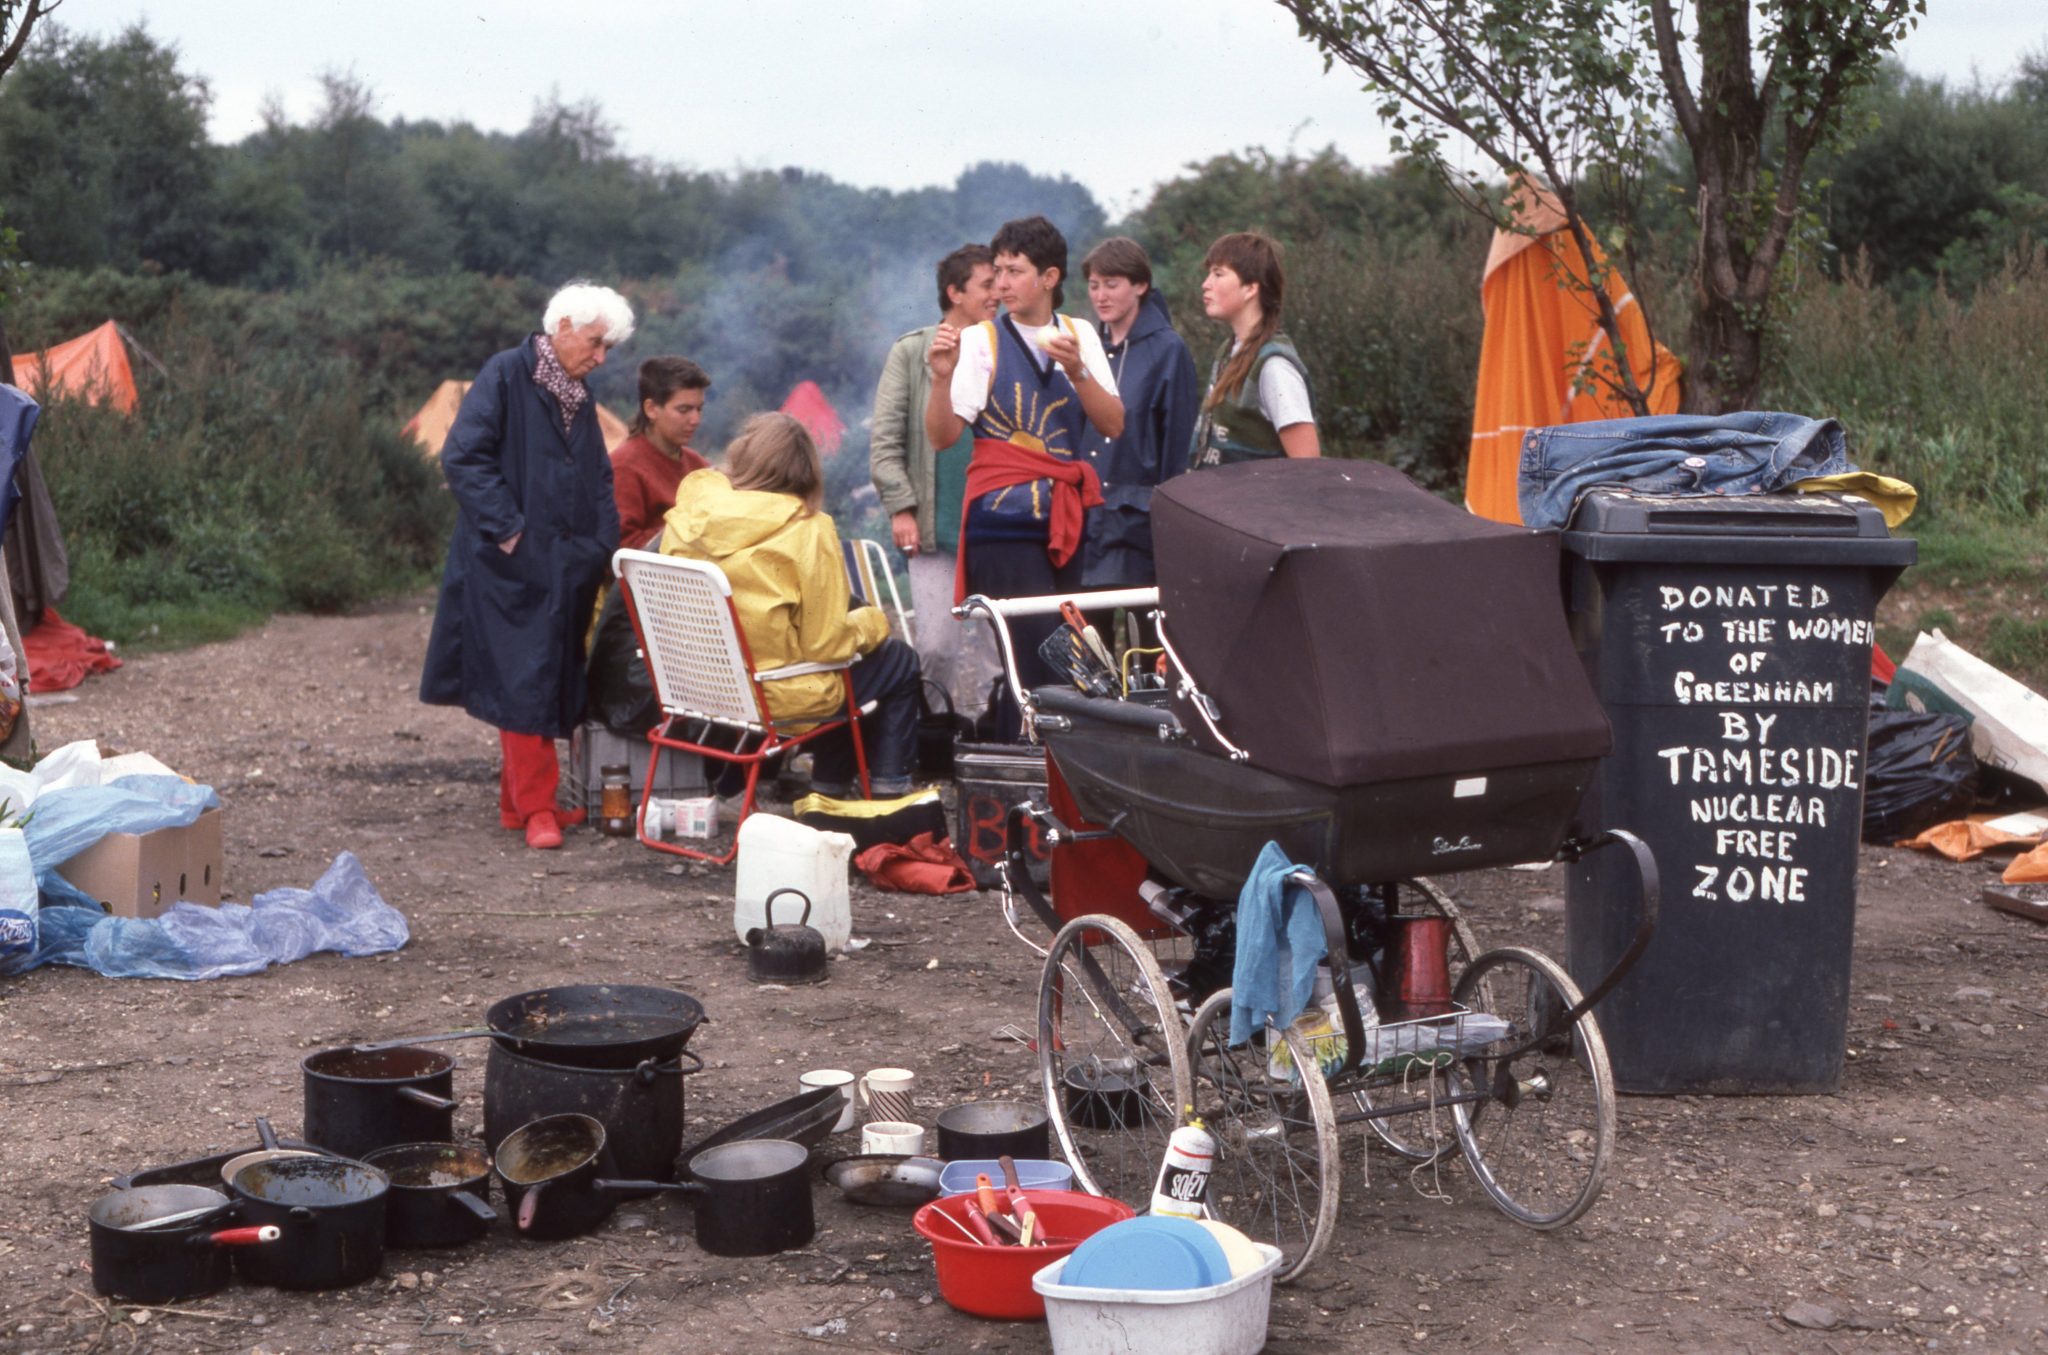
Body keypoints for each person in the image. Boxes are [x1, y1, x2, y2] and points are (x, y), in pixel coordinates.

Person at [419, 282, 634, 850]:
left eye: (607, 347)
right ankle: (537, 807)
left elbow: (599, 478)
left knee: (545, 676)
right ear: (562, 326)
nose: (601, 357)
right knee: (523, 683)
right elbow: (462, 455)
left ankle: (518, 806)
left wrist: (601, 545)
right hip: (508, 562)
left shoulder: (579, 395)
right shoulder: (507, 373)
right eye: (595, 343)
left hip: (566, 562)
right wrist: (511, 531)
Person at [923, 215, 1123, 733]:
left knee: (1062, 649)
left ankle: (1036, 759)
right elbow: (943, 437)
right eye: (999, 272)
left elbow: (1113, 423)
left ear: (1049, 277)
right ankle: (1027, 762)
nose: (1003, 285)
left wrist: (1078, 371)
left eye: (1015, 272)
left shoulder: (1080, 335)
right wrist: (941, 381)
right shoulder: (981, 341)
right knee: (1035, 650)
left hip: (1066, 517)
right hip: (1001, 520)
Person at [663, 413, 921, 797]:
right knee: (892, 660)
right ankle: (885, 794)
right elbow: (827, 646)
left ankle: (790, 787)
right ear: (806, 473)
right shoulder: (808, 528)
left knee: (839, 665)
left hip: (696, 684)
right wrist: (872, 621)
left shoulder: (691, 513)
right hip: (769, 695)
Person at [868, 244, 1002, 713]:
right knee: (937, 648)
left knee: (997, 649)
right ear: (954, 291)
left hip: (995, 522)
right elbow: (885, 440)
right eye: (987, 284)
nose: (997, 294)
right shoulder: (911, 351)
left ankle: (996, 738)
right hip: (933, 522)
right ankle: (932, 736)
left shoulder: (1005, 346)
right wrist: (900, 506)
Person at [1076, 236, 1200, 593]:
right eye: (1094, 285)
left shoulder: (1169, 349)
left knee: (1143, 643)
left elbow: (1178, 450)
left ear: (1141, 285)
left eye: (1112, 285)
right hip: (1087, 525)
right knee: (1088, 643)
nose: (1100, 296)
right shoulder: (1087, 347)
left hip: (1140, 529)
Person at [1189, 231, 1320, 469]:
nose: (1205, 284)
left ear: (1250, 288)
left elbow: (1308, 468)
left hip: (1259, 506)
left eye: (1218, 274)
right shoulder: (1228, 352)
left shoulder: (1274, 367)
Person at [611, 356, 711, 550]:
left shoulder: (700, 467)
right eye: (684, 410)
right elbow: (624, 548)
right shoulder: (623, 467)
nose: (695, 419)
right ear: (651, 409)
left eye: (699, 409)